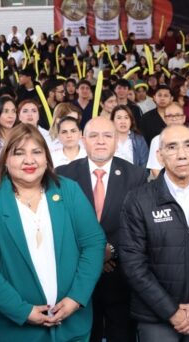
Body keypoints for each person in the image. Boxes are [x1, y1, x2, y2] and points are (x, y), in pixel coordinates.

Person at [0, 123, 106, 342]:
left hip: (73, 327)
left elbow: (94, 244)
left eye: (37, 152)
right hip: (17, 332)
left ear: (47, 158)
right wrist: (22, 311)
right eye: (19, 153)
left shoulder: (69, 190)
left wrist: (76, 298)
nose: (29, 160)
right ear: (5, 159)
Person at [119, 125, 189, 341]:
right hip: (154, 316)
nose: (182, 154)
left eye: (188, 145)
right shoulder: (138, 200)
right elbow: (133, 263)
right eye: (172, 147)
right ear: (160, 155)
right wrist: (171, 311)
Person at [57, 117, 148, 342]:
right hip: (76, 276)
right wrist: (95, 254)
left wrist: (111, 251)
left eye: (107, 136)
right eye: (93, 136)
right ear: (83, 140)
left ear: (116, 140)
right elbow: (61, 223)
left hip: (120, 275)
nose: (100, 141)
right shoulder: (62, 175)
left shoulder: (136, 175)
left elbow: (139, 225)